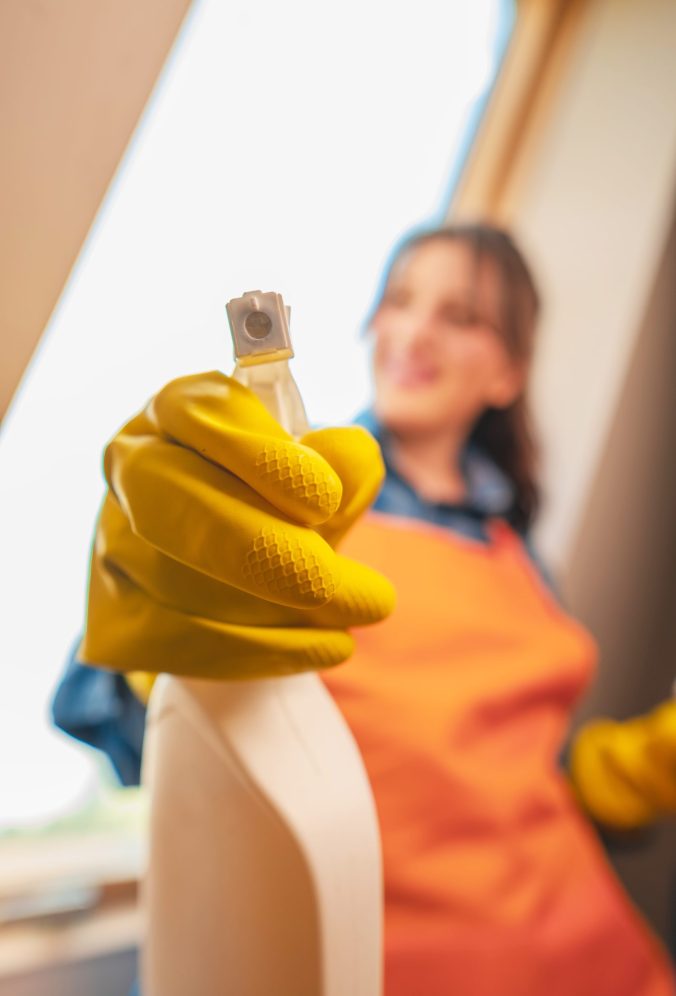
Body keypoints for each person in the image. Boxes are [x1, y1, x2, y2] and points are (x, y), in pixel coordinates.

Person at [53, 223, 676, 994]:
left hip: (613, 966)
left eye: (460, 316)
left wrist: (645, 767)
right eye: (400, 301)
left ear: (507, 373)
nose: (413, 331)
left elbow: (518, 783)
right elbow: (108, 715)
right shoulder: (284, 506)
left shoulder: (520, 557)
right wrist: (150, 614)